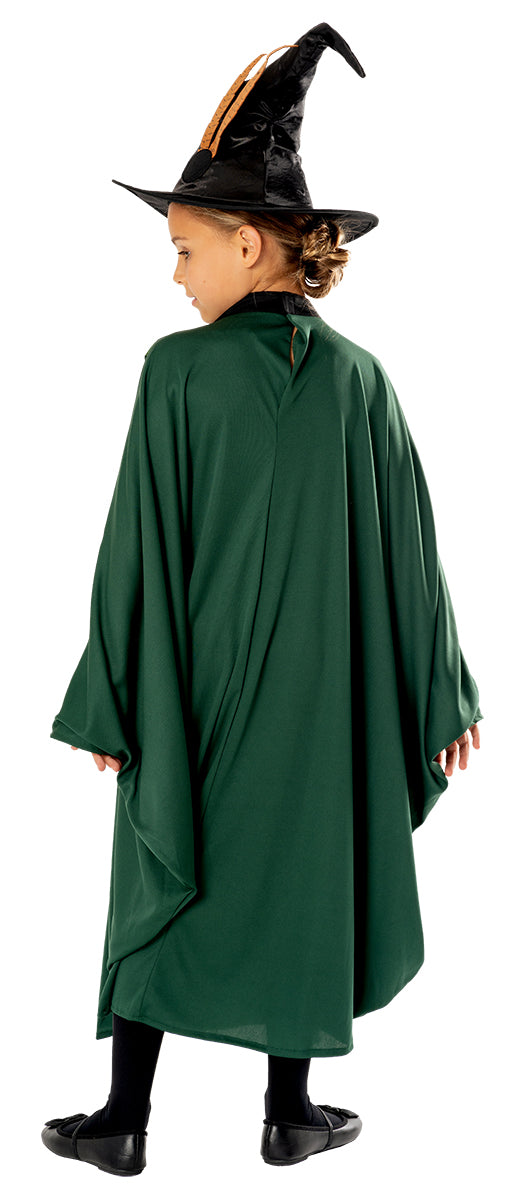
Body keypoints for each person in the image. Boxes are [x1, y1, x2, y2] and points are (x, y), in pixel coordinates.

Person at [41, 23, 483, 1175]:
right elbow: (412, 554)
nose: (173, 274)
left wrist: (116, 694)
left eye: (184, 248)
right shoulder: (361, 380)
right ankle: (291, 1114)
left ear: (247, 244)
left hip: (193, 689)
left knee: (163, 865)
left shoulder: (174, 371)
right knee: (304, 876)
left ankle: (122, 1120)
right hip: (320, 705)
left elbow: (139, 541)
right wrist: (439, 693)